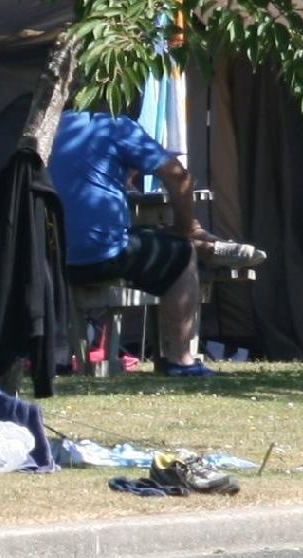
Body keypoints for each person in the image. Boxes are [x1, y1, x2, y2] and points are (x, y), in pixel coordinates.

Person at [47, 110, 216, 375]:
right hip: (100, 255)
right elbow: (179, 177)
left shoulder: (46, 126)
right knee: (181, 254)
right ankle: (180, 361)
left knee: (149, 239)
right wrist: (188, 229)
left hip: (46, 255)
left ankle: (57, 355)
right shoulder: (114, 125)